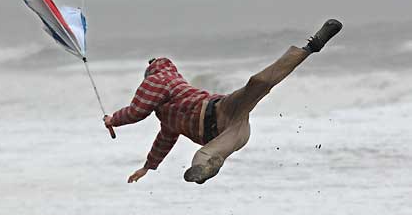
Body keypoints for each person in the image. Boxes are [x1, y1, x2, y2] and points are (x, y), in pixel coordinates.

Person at [104, 20, 343, 184]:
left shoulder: (159, 80)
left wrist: (112, 119)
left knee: (202, 155)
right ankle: (308, 48)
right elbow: (164, 141)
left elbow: (137, 111)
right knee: (258, 83)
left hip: (218, 114)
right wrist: (148, 167)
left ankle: (311, 46)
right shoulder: (168, 113)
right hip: (235, 123)